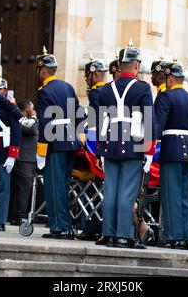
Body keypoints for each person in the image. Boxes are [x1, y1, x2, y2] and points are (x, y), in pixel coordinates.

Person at [97, 41, 156, 249]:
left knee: (111, 190)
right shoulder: (142, 88)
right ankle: (124, 235)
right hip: (133, 144)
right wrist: (149, 151)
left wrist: (100, 150)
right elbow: (148, 120)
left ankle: (109, 234)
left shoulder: (106, 89)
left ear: (120, 65)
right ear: (136, 65)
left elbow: (101, 120)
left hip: (111, 144)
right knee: (127, 193)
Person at [155, 62, 188, 250]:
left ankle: (174, 236)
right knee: (185, 195)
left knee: (171, 195)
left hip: (172, 149)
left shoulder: (165, 97)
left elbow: (158, 124)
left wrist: (150, 142)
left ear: (170, 79)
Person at [36, 47, 83, 240]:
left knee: (54, 187)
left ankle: (60, 227)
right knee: (63, 185)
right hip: (70, 140)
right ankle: (65, 225)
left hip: (54, 142)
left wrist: (41, 151)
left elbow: (45, 122)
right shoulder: (68, 87)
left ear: (43, 71)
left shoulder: (44, 91)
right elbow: (80, 113)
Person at [76, 57, 108, 241]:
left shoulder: (96, 92)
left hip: (94, 144)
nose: (86, 80)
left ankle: (91, 226)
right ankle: (95, 225)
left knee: (90, 187)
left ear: (94, 74)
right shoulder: (108, 90)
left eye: (88, 76)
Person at [0, 77, 22, 231]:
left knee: (2, 187)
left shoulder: (10, 106)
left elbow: (16, 129)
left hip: (4, 150)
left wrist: (13, 154)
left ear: (5, 91)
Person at [9, 100, 38, 226]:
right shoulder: (21, 119)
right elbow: (32, 130)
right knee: (23, 189)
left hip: (29, 158)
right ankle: (19, 216)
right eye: (32, 108)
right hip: (23, 159)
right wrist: (34, 116)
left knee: (24, 189)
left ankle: (18, 214)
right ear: (27, 109)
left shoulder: (29, 120)